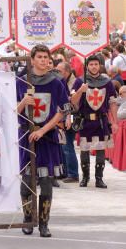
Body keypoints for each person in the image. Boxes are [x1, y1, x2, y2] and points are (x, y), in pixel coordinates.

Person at [17, 44, 70, 238]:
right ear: (32, 60)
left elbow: (63, 111)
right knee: (26, 182)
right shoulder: (21, 82)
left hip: (47, 138)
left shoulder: (56, 82)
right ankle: (28, 220)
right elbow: (12, 111)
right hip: (26, 137)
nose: (42, 60)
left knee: (46, 182)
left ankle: (44, 223)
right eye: (38, 57)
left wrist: (43, 130)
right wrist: (24, 102)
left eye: (45, 57)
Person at [71, 54, 118, 188]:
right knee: (84, 150)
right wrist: (81, 90)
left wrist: (114, 122)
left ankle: (99, 178)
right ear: (87, 66)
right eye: (91, 64)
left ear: (100, 66)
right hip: (85, 121)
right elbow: (73, 101)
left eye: (96, 64)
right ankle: (85, 178)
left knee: (101, 150)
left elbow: (112, 102)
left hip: (101, 121)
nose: (93, 66)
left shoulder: (107, 82)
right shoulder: (80, 81)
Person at [56, 61, 79, 183]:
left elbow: (71, 102)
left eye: (60, 71)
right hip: (64, 116)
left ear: (67, 71)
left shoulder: (75, 82)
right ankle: (65, 172)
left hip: (71, 116)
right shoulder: (62, 81)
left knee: (68, 146)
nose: (58, 73)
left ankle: (73, 173)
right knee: (63, 145)